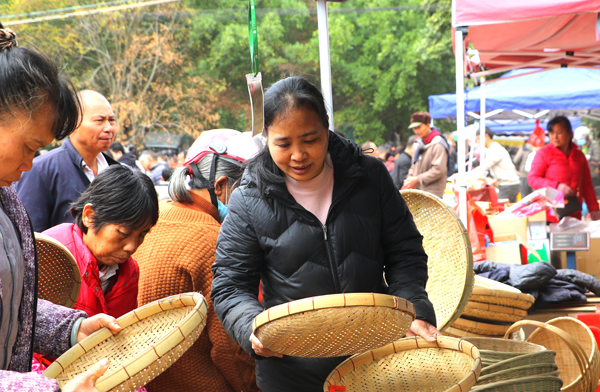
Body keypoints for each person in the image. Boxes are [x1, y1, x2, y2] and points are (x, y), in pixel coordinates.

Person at [211, 77, 438, 392]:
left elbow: (405, 251)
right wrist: (253, 327)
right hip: (292, 370)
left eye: (310, 139)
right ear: (266, 138)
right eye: (283, 143)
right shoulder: (249, 198)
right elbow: (230, 286)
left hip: (378, 359)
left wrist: (412, 307)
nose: (298, 155)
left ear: (327, 126)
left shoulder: (368, 176)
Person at [0, 24, 121, 392]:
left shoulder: (8, 201)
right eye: (29, 146)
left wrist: (72, 328)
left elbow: (12, 307)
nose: (29, 165)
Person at [133, 129, 259, 392]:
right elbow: (230, 348)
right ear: (222, 186)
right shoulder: (214, 240)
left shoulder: (156, 215)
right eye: (250, 190)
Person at [16, 89, 119, 232]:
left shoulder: (116, 171)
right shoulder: (41, 170)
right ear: (72, 122)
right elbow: (31, 237)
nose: (108, 128)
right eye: (99, 120)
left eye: (112, 120)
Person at [529, 116, 600, 221]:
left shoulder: (579, 155)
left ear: (569, 133)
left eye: (559, 132)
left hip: (573, 211)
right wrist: (556, 186)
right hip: (551, 212)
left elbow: (587, 185)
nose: (555, 137)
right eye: (552, 133)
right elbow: (533, 179)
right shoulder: (543, 153)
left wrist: (593, 208)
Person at [402, 111, 449, 198]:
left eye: (419, 127)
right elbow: (413, 166)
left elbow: (438, 169)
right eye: (414, 128)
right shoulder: (417, 144)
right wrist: (410, 178)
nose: (416, 131)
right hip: (418, 192)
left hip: (433, 194)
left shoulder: (438, 144)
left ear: (428, 125)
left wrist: (417, 179)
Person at [469, 128, 521, 202]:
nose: (477, 141)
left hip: (508, 185)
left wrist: (468, 175)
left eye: (478, 138)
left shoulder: (495, 148)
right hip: (510, 184)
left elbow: (485, 166)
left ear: (486, 136)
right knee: (508, 209)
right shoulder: (494, 148)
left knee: (501, 210)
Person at [574, 126, 600, 195]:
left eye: (582, 138)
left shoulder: (594, 146)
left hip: (593, 175)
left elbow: (597, 158)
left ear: (587, 137)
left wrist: (589, 157)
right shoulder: (577, 146)